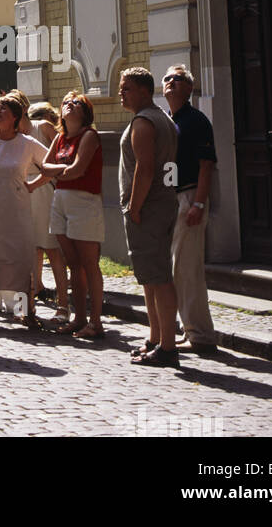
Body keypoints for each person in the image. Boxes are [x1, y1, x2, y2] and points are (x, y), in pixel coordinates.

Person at [118, 67, 181, 367]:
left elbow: (145, 168)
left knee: (158, 277)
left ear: (144, 91)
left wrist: (135, 206)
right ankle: (156, 338)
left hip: (149, 207)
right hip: (163, 203)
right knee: (151, 277)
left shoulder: (143, 123)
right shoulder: (163, 118)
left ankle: (168, 347)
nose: (121, 93)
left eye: (126, 88)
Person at [0, 95, 48, 330]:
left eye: (4, 109)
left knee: (20, 260)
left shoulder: (26, 143)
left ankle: (23, 312)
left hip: (17, 209)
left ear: (16, 117)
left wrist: (34, 184)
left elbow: (51, 162)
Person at [39, 90, 104, 337]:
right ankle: (79, 318)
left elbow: (78, 171)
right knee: (73, 263)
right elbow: (44, 166)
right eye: (66, 102)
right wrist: (63, 170)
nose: (70, 105)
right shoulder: (60, 138)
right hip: (61, 200)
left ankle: (96, 322)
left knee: (89, 263)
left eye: (76, 102)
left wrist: (59, 171)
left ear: (85, 112)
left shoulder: (89, 136)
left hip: (84, 202)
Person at [163, 66, 218, 356]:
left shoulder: (196, 121)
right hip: (173, 199)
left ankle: (201, 334)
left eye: (178, 79)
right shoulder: (169, 120)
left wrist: (198, 203)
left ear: (189, 89)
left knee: (187, 269)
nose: (171, 82)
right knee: (177, 269)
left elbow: (206, 164)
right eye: (167, 78)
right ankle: (190, 330)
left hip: (190, 197)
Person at [27, 101, 68, 316]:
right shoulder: (9, 134)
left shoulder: (42, 126)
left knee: (51, 247)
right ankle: (29, 301)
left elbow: (61, 154)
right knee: (31, 248)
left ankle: (63, 303)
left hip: (42, 188)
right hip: (24, 191)